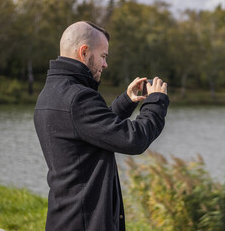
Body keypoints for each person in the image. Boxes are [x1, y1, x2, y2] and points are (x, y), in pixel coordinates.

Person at [34, 21, 169, 231]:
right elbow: (134, 139)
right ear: (84, 52)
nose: (105, 65)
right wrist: (156, 101)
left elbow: (92, 130)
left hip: (65, 218)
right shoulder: (79, 97)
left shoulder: (52, 92)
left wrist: (126, 101)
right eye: (103, 56)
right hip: (86, 223)